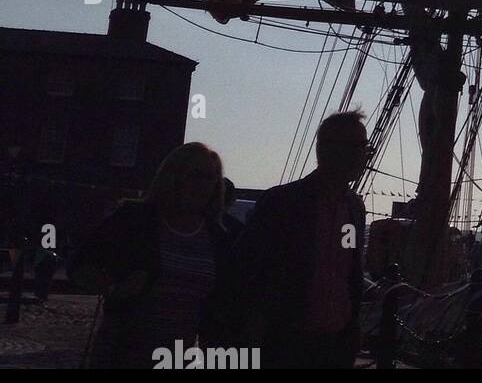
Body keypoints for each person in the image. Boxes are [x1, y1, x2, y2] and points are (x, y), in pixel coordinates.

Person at [72, 142, 233, 368]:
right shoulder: (135, 219)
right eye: (196, 175)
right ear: (175, 176)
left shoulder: (219, 235)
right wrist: (113, 288)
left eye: (211, 177)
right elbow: (80, 266)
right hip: (124, 351)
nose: (204, 185)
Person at [231, 110, 369, 368]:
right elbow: (248, 265)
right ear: (326, 150)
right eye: (357, 146)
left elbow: (349, 269)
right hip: (285, 339)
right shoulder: (283, 202)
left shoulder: (354, 208)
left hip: (335, 344)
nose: (364, 154)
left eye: (364, 146)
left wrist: (352, 327)